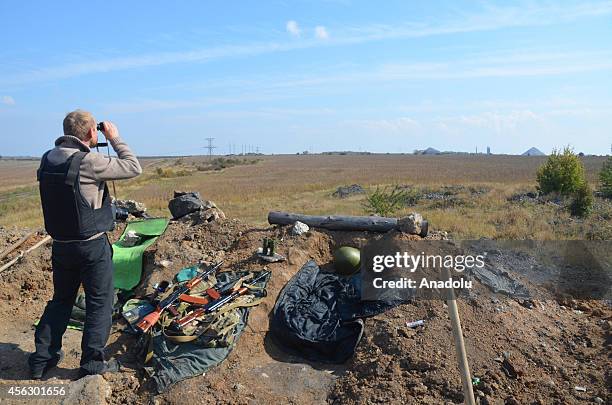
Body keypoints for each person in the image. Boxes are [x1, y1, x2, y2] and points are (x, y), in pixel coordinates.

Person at [29, 110, 142, 379]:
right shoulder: (90, 161)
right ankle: (92, 364)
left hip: (60, 245)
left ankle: (40, 360)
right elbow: (133, 167)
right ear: (92, 132)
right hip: (91, 245)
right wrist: (114, 138)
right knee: (99, 303)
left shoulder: (48, 158)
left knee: (61, 301)